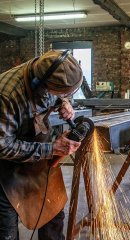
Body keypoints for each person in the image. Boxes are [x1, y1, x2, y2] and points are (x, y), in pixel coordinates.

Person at [0, 50, 83, 239]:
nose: (65, 96)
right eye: (61, 93)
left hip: (40, 161)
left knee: (53, 217)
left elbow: (62, 91)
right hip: (5, 169)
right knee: (7, 230)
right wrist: (52, 148)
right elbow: (3, 146)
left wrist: (65, 102)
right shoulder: (6, 96)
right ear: (42, 85)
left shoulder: (50, 68)